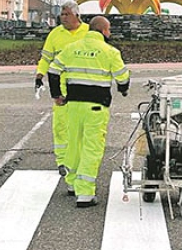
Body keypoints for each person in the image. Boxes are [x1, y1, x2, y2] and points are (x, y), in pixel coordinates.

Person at [48, 16, 130, 208]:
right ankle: (84, 193)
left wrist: (57, 95)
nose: (109, 34)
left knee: (74, 144)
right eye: (108, 30)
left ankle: (72, 184)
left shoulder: (71, 48)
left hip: (73, 105)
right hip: (96, 107)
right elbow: (123, 77)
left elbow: (53, 70)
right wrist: (123, 90)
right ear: (103, 31)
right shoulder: (110, 52)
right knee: (91, 147)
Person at [35, 0, 89, 177]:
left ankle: (79, 161)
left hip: (83, 87)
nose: (63, 18)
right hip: (61, 88)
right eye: (62, 15)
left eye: (67, 14)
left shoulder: (88, 32)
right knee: (60, 126)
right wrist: (39, 75)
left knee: (81, 127)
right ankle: (62, 161)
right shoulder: (55, 34)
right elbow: (45, 58)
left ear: (77, 15)